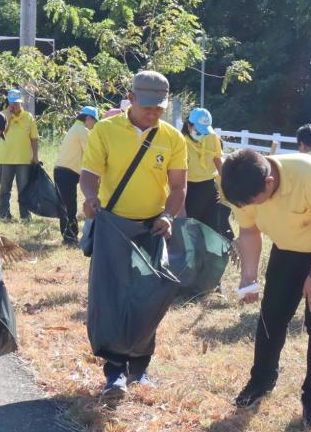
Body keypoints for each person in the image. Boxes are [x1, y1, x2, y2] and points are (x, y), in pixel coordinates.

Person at [222, 148, 311, 429]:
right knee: (271, 316)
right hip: (289, 248)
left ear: (270, 182)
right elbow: (249, 231)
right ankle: (261, 380)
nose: (249, 206)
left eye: (254, 201)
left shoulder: (308, 174)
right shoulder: (238, 182)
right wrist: (249, 277)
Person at [80, 70, 188, 400]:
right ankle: (114, 374)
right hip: (112, 226)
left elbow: (179, 186)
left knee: (146, 299)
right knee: (111, 297)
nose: (153, 112)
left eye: (159, 107)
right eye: (147, 106)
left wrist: (169, 216)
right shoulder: (106, 130)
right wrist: (89, 197)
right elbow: (88, 174)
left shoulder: (172, 138)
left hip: (151, 229)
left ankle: (139, 369)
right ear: (131, 97)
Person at [181, 107, 231, 239]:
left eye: (205, 131)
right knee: (190, 231)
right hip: (189, 189)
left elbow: (217, 159)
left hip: (209, 187)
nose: (202, 134)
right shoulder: (180, 141)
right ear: (189, 125)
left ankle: (209, 258)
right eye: (198, 130)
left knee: (212, 229)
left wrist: (226, 184)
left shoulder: (212, 137)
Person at [56, 105, 99, 245]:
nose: (94, 125)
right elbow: (91, 153)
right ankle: (70, 237)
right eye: (94, 121)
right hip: (66, 172)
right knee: (69, 207)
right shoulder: (82, 130)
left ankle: (70, 236)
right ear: (88, 118)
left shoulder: (76, 128)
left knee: (66, 205)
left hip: (65, 171)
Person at [0, 89, 40, 220]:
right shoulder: (2, 115)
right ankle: (4, 214)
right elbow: (1, 133)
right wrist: (9, 119)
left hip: (24, 160)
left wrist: (35, 157)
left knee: (24, 189)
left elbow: (34, 138)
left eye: (17, 103)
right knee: (5, 189)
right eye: (12, 103)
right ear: (8, 102)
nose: (14, 106)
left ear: (20, 103)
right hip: (5, 159)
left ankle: (25, 215)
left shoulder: (28, 117)